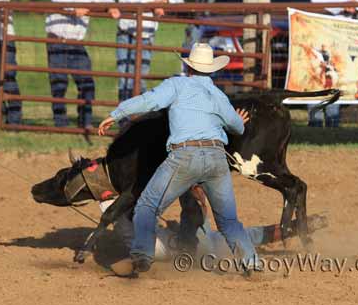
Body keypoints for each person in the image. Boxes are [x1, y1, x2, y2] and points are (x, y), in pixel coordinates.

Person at [99, 43, 260, 275]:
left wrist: (116, 114)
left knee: (146, 206)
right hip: (216, 158)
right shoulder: (217, 94)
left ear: (189, 68)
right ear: (210, 69)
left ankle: (142, 257)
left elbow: (148, 101)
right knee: (228, 221)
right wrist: (238, 121)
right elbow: (237, 126)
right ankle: (252, 263)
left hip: (185, 155)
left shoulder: (177, 85)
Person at [45, 0, 120, 129]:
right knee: (58, 82)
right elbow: (60, 1)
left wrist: (111, 8)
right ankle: (60, 122)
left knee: (86, 82)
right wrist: (75, 9)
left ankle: (85, 121)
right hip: (56, 40)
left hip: (76, 43)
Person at [116, 0, 184, 101]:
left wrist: (165, 2)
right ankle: (124, 117)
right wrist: (155, 4)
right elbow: (129, 4)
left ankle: (138, 115)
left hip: (146, 35)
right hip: (126, 32)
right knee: (125, 75)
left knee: (140, 75)